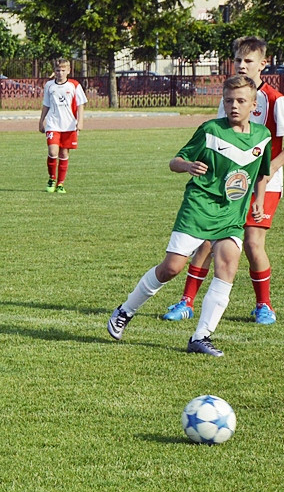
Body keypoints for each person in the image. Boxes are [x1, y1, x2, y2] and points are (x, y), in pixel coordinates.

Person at [107, 75, 271, 357]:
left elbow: (261, 172)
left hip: (230, 214)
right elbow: (174, 161)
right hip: (198, 208)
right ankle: (125, 310)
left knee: (228, 264)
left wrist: (259, 199)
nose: (234, 106)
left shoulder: (262, 137)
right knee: (171, 268)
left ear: (254, 106)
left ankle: (201, 336)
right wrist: (187, 166)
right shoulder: (210, 131)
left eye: (241, 101)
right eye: (229, 100)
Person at [160, 36, 284, 325]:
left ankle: (263, 305)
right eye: (238, 60)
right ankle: (186, 301)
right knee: (207, 241)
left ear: (263, 64)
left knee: (253, 243)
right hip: (229, 182)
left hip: (264, 185)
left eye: (248, 61)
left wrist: (271, 167)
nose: (242, 65)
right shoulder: (229, 96)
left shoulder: (274, 99)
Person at [38, 58, 87, 193]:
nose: (60, 73)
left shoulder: (74, 85)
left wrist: (80, 121)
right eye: (58, 70)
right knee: (52, 151)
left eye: (63, 70)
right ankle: (52, 178)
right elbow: (46, 104)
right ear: (54, 71)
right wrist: (41, 121)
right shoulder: (49, 86)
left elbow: (80, 104)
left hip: (69, 125)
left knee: (64, 153)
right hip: (53, 124)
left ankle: (60, 183)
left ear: (69, 71)